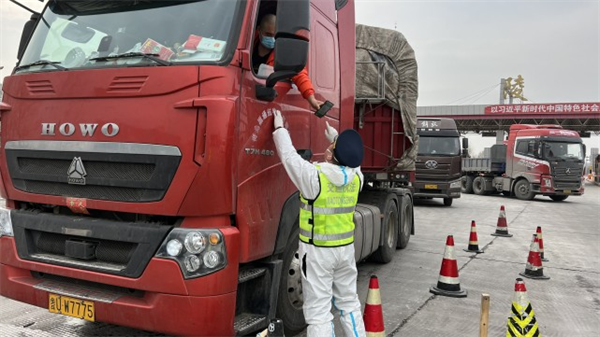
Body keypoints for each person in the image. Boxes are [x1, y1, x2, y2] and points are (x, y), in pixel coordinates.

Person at [272, 110, 367, 337]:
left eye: (331, 148)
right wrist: (337, 140)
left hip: (317, 254)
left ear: (330, 155)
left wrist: (279, 130)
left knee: (318, 313)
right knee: (349, 303)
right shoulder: (357, 179)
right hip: (345, 252)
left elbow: (290, 158)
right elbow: (353, 163)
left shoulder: (315, 178)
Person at [253, 14, 322, 110]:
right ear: (259, 30)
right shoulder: (247, 41)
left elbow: (299, 73)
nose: (272, 39)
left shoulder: (284, 53)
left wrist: (311, 98)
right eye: (268, 34)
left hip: (266, 99)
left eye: (275, 35)